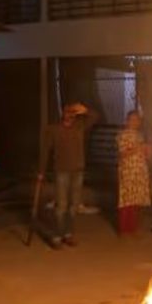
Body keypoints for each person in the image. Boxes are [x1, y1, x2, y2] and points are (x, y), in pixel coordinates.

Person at [39, 102, 96, 248]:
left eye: (73, 113)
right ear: (63, 113)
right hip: (62, 171)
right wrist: (41, 171)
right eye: (67, 112)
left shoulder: (79, 127)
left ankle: (68, 234)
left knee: (73, 206)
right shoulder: (54, 130)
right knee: (61, 205)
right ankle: (57, 236)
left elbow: (95, 117)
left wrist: (85, 110)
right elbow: (45, 151)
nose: (70, 115)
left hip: (77, 171)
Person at [116, 110, 152, 235]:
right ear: (127, 121)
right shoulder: (123, 135)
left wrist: (148, 150)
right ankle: (124, 229)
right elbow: (123, 153)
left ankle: (132, 228)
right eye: (133, 119)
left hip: (140, 171)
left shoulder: (140, 135)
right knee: (127, 201)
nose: (135, 122)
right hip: (128, 171)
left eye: (138, 120)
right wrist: (138, 147)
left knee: (136, 201)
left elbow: (146, 155)